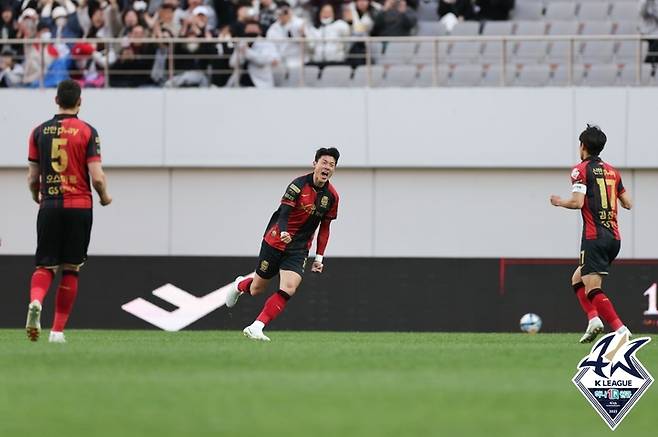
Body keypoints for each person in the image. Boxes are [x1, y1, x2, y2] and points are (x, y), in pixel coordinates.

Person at [25, 79, 112, 343]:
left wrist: (35, 196)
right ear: (80, 101)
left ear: (56, 100)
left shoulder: (38, 132)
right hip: (79, 206)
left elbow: (32, 178)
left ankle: (37, 301)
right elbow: (96, 176)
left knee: (45, 265)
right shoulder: (88, 132)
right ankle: (57, 331)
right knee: (71, 268)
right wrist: (105, 197)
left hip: (49, 205)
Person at [225, 147, 341, 341]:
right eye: (324, 163)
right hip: (275, 241)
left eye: (332, 165)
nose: (327, 167)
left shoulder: (332, 197)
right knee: (256, 289)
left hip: (298, 248)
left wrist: (319, 257)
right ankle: (239, 285)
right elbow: (284, 213)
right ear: (315, 164)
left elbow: (325, 228)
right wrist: (284, 232)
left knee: (289, 287)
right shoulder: (297, 185)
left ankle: (256, 326)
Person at [550, 125, 632, 344]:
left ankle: (620, 329)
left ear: (583, 146)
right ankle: (593, 320)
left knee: (593, 288)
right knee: (578, 280)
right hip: (614, 237)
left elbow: (577, 203)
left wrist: (559, 202)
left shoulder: (580, 169)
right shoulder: (613, 171)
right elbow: (628, 204)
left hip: (595, 237)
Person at [229, 20, 279, 87]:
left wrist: (247, 52)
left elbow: (262, 61)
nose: (251, 32)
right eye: (249, 30)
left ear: (259, 31)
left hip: (260, 84)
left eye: (253, 30)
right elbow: (232, 63)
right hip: (240, 83)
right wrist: (241, 54)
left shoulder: (266, 43)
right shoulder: (242, 43)